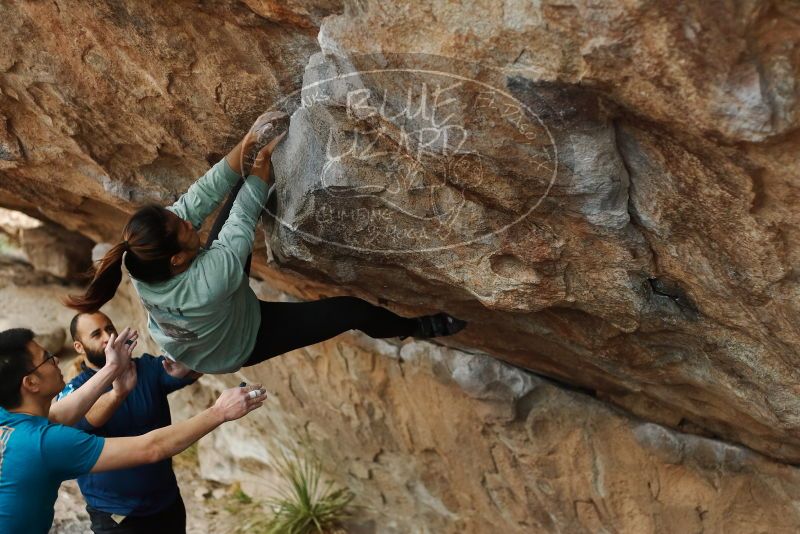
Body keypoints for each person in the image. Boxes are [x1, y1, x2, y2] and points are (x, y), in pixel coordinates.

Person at [65, 112, 466, 375]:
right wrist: (260, 167)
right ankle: (413, 326)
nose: (187, 218)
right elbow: (242, 217)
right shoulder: (214, 279)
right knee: (350, 311)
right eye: (185, 228)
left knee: (232, 191)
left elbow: (197, 198)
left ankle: (189, 353)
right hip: (240, 340)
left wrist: (247, 141)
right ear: (178, 259)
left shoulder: (139, 258)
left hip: (200, 318)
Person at [0, 327, 266, 534]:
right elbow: (151, 448)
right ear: (31, 382)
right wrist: (219, 412)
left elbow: (58, 415)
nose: (56, 358)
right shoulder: (44, 444)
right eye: (47, 358)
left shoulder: (9, 416)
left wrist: (112, 369)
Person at [58, 311, 202, 533]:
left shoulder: (143, 367)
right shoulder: (76, 391)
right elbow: (85, 418)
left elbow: (187, 371)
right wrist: (117, 394)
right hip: (116, 515)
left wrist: (194, 362)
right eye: (96, 334)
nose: (108, 337)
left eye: (110, 329)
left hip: (167, 504)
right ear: (79, 347)